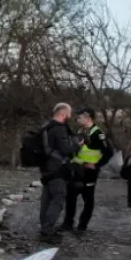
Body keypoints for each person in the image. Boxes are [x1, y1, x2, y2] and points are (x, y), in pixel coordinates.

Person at [62, 107, 113, 234]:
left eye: (79, 117)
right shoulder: (80, 131)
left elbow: (109, 152)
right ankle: (68, 223)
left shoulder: (98, 133)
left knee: (88, 199)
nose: (77, 119)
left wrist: (96, 165)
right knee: (70, 197)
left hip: (89, 172)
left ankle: (82, 226)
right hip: (76, 170)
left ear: (88, 117)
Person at [38, 102, 82, 242]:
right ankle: (47, 231)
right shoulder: (59, 129)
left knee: (46, 199)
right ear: (63, 113)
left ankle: (44, 227)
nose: (70, 116)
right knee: (58, 198)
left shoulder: (46, 127)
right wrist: (77, 145)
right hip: (57, 169)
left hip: (45, 169)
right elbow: (65, 150)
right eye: (69, 113)